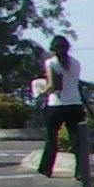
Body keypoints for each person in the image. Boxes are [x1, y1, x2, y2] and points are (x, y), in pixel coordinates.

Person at [33, 35, 86, 177]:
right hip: (75, 103)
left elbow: (51, 86)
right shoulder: (76, 63)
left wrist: (40, 92)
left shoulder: (51, 63)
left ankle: (46, 168)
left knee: (51, 138)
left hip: (56, 104)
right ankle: (80, 171)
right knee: (77, 138)